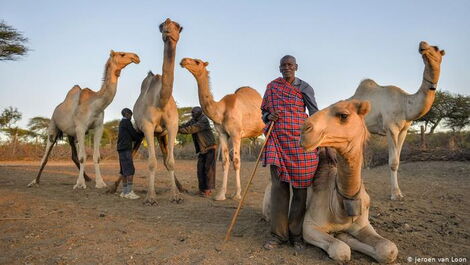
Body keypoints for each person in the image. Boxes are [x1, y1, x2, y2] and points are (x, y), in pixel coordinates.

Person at [261, 55, 320, 250]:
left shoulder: (305, 88)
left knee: (301, 190)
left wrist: (318, 140)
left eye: (290, 65)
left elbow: (315, 115)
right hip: (277, 140)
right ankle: (278, 235)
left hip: (300, 142)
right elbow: (263, 112)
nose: (287, 68)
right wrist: (270, 115)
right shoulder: (272, 87)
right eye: (283, 65)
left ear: (296, 67)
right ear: (279, 68)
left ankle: (296, 235)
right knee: (279, 189)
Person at [178, 106, 217, 197]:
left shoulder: (204, 120)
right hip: (202, 149)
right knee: (200, 170)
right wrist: (174, 126)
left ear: (199, 113)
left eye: (193, 113)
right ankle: (201, 190)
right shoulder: (194, 119)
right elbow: (185, 125)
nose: (192, 114)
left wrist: (178, 130)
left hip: (210, 148)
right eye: (192, 113)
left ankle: (208, 190)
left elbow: (191, 129)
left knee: (209, 170)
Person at [117, 108, 143, 199]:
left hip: (121, 149)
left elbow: (129, 136)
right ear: (127, 114)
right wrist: (142, 135)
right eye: (130, 114)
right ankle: (129, 192)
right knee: (130, 170)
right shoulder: (127, 122)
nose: (131, 116)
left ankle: (124, 192)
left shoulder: (121, 123)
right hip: (126, 149)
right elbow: (134, 135)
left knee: (123, 171)